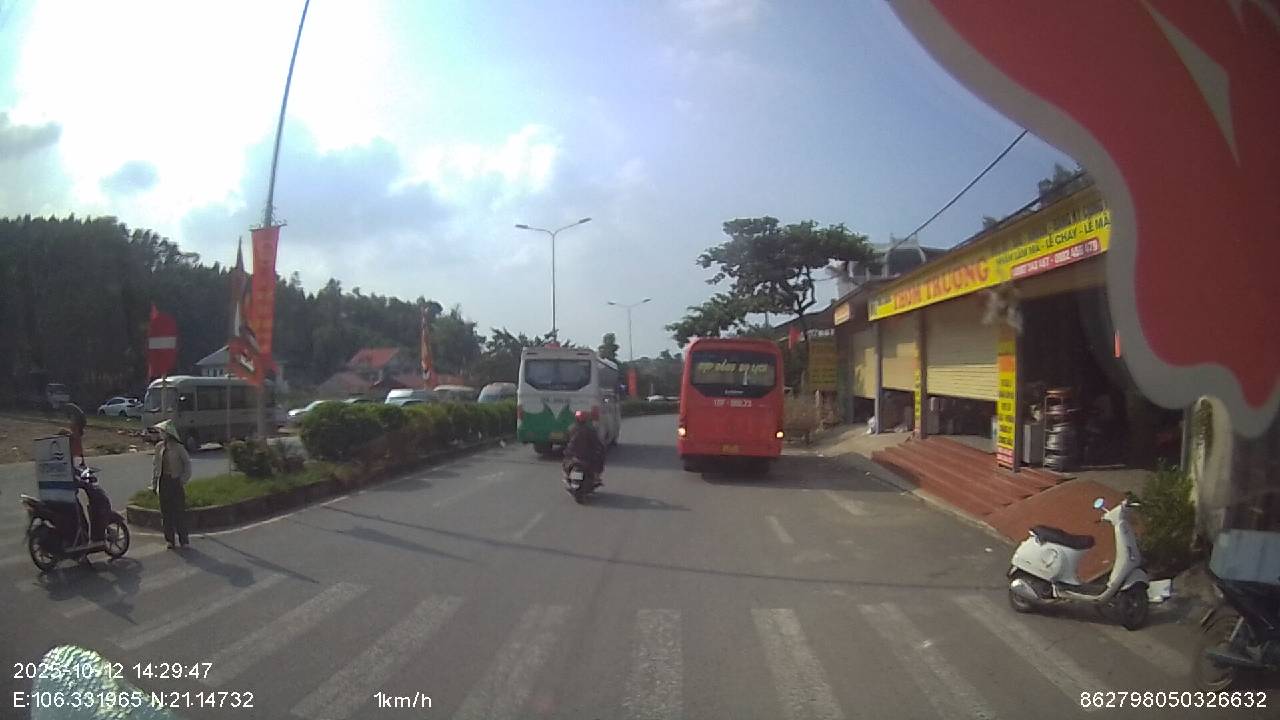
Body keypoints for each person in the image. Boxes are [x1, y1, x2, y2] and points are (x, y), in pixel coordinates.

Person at [151, 420, 192, 548]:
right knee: (166, 512)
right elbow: (156, 466)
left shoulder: (178, 448)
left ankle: (184, 540)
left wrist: (183, 479)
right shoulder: (159, 447)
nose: (160, 434)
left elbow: (187, 464)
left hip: (175, 481)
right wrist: (154, 484)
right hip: (163, 481)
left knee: (179, 511)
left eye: (162, 432)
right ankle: (169, 540)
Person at [563, 410, 605, 486]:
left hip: (572, 455)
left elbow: (566, 440)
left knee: (566, 462)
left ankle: (567, 476)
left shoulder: (571, 428)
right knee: (599, 460)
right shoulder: (589, 430)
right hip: (585, 456)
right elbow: (597, 443)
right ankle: (596, 477)